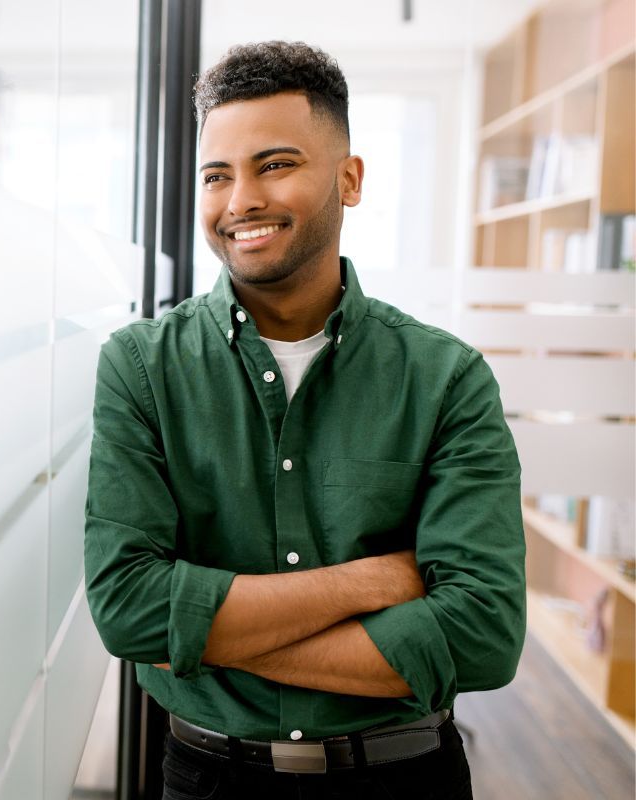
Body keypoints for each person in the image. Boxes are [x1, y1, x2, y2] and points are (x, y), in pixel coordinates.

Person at [84, 40, 525, 799]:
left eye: (275, 165)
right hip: (207, 778)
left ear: (349, 180)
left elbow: (482, 637)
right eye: (217, 175)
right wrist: (372, 582)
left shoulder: (446, 377)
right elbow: (128, 611)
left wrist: (199, 636)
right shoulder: (142, 368)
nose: (240, 200)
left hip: (403, 776)